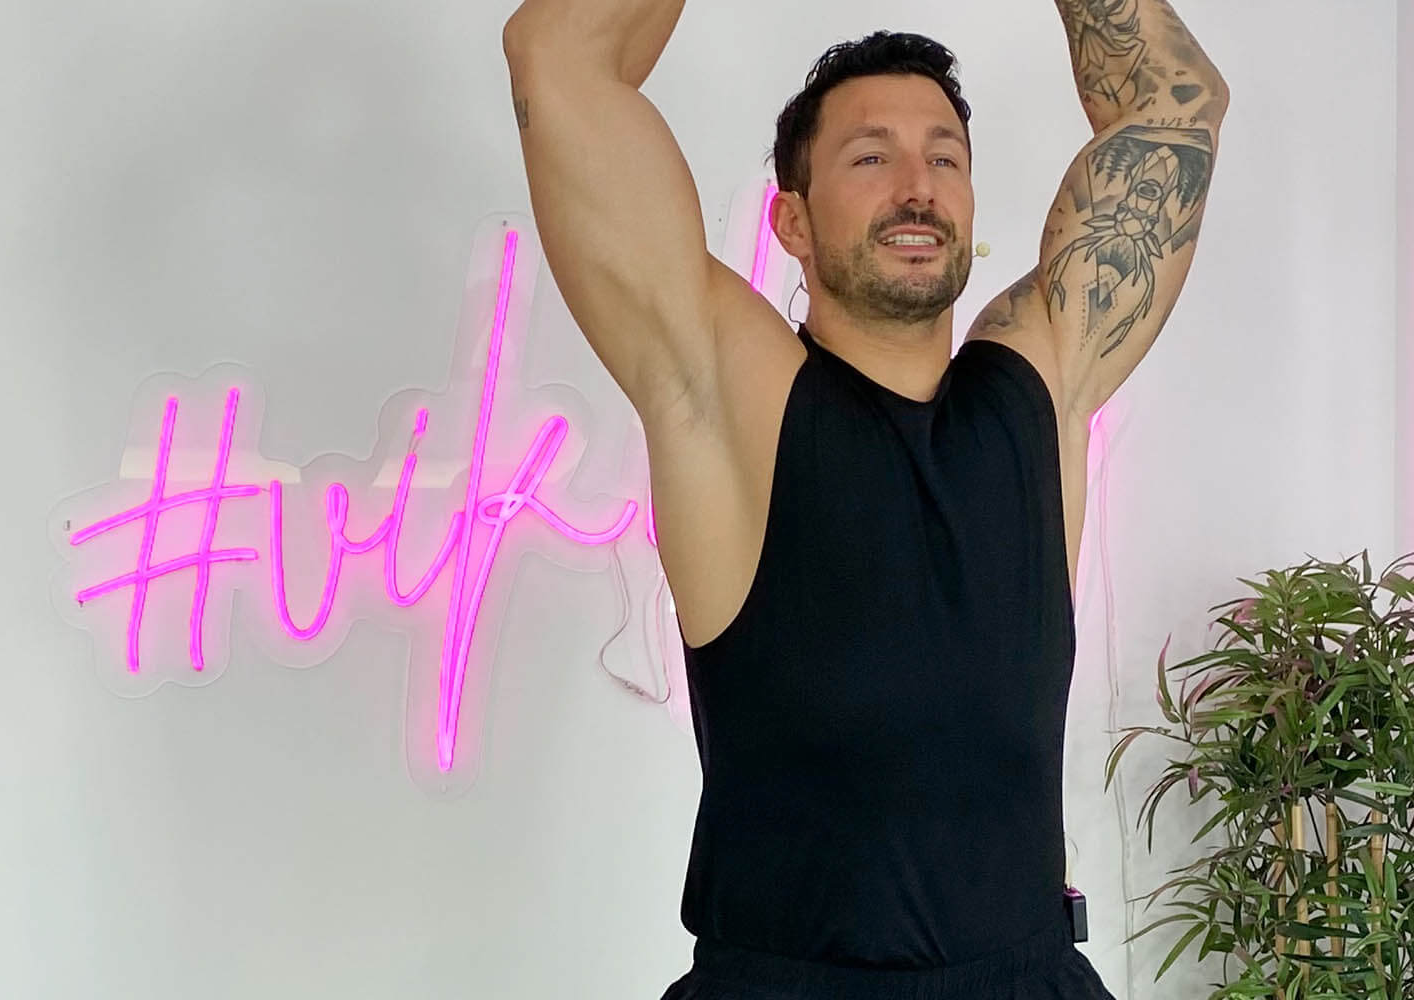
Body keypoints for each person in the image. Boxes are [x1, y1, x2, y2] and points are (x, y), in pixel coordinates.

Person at [501, 1, 1226, 996]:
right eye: (870, 157)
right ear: (791, 220)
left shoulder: (1040, 380)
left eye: (944, 157)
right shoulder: (732, 391)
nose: (917, 186)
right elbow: (558, 57)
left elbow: (1174, 106)